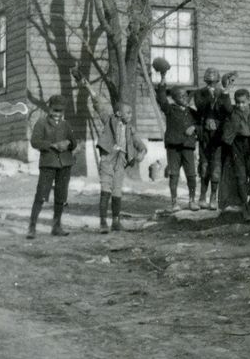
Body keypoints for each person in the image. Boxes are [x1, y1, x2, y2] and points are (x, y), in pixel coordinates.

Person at [81, 79, 147, 233]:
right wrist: (88, 87)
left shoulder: (130, 129)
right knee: (106, 188)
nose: (131, 115)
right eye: (128, 112)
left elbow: (139, 143)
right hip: (107, 159)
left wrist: (142, 152)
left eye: (131, 112)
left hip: (121, 162)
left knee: (117, 191)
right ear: (118, 113)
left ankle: (115, 222)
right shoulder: (110, 120)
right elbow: (99, 104)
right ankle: (103, 222)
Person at [27, 95, 78, 239]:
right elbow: (34, 142)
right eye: (55, 110)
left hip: (64, 164)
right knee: (41, 195)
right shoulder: (41, 123)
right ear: (50, 109)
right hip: (48, 163)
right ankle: (32, 227)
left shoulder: (66, 125)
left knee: (61, 196)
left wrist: (68, 143)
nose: (57, 113)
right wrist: (51, 145)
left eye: (60, 111)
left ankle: (56, 226)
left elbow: (74, 142)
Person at [221, 88, 250, 221]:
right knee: (241, 179)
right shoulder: (233, 113)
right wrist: (226, 89)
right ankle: (245, 206)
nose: (240, 105)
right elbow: (226, 103)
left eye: (243, 102)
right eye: (238, 103)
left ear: (249, 101)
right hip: (237, 149)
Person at [155, 75, 200, 212]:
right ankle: (174, 202)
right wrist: (162, 86)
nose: (184, 98)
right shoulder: (170, 110)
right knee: (174, 174)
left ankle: (192, 201)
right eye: (181, 96)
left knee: (191, 174)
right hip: (173, 147)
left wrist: (194, 128)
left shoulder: (192, 113)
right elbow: (162, 100)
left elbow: (200, 124)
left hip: (188, 147)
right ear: (174, 98)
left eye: (186, 96)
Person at [192, 68, 232, 210]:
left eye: (214, 80)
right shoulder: (199, 93)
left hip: (218, 135)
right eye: (209, 80)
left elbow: (228, 110)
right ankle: (202, 196)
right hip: (205, 134)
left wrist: (225, 93)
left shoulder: (223, 92)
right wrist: (212, 96)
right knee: (204, 166)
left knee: (215, 167)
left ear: (218, 80)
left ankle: (213, 197)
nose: (211, 82)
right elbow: (200, 107)